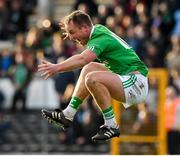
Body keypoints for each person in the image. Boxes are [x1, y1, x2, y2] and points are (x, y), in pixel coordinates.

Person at [38, 10, 149, 142]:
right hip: (126, 77)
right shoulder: (97, 31)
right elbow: (85, 62)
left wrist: (57, 67)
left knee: (92, 78)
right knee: (89, 69)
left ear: (85, 28)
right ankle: (68, 114)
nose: (71, 38)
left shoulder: (99, 37)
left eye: (72, 32)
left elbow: (82, 59)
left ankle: (111, 125)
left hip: (136, 83)